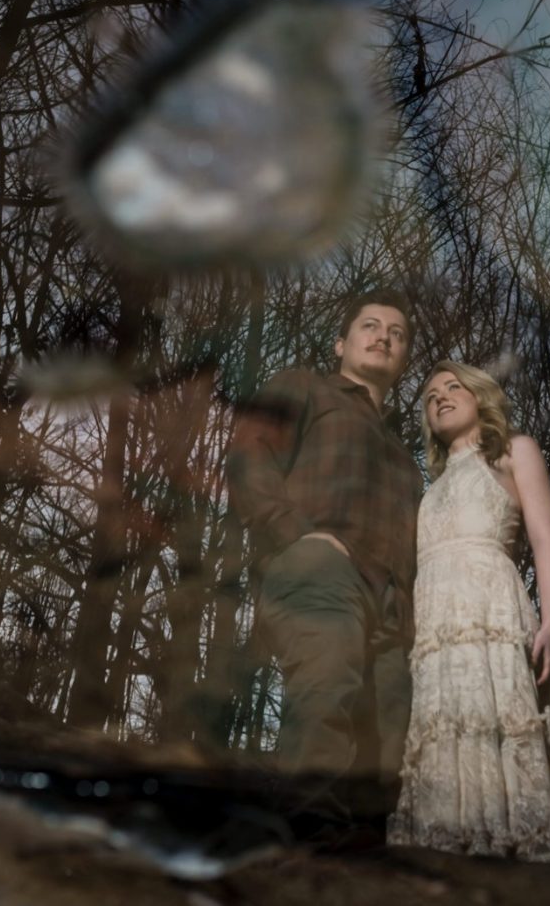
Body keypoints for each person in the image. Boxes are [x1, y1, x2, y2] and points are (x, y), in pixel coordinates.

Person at [224, 291, 421, 839]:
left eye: (397, 333)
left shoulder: (407, 458)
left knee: (389, 741)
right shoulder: (303, 386)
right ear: (342, 343)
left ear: (403, 359)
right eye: (371, 326)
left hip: (390, 603)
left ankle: (360, 867)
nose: (383, 335)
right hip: (321, 570)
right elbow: (250, 453)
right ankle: (308, 855)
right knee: (325, 697)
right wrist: (297, 535)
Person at [387, 360, 550, 862]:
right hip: (436, 631)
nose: (440, 397)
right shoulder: (428, 489)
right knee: (446, 734)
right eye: (430, 395)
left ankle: (521, 866)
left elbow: (545, 541)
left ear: (480, 398)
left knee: (499, 730)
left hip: (492, 616)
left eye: (453, 387)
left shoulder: (516, 451)